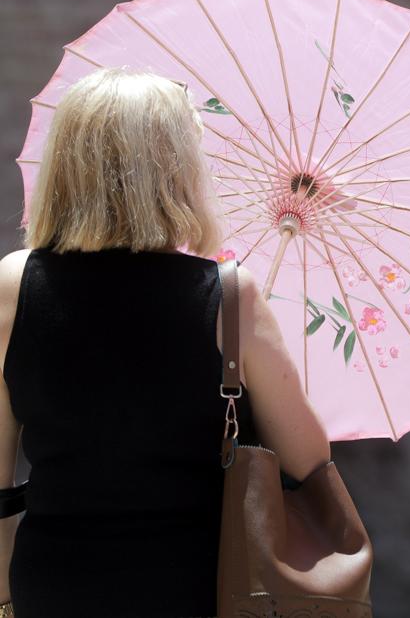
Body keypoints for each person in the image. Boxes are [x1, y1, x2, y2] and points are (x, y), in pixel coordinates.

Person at [0, 68, 332, 617]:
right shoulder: (231, 296)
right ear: (175, 171)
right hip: (200, 589)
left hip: (54, 586)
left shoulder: (13, 287)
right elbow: (308, 461)